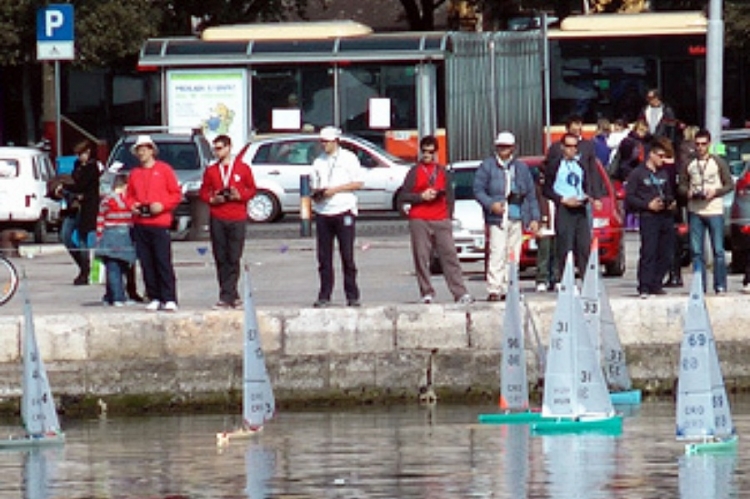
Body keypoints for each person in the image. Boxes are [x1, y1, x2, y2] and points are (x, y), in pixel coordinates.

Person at [398, 136, 474, 304]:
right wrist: (420, 197)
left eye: (430, 152)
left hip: (440, 218)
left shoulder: (442, 171)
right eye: (424, 151)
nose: (427, 155)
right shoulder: (414, 171)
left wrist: (448, 216)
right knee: (421, 256)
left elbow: (450, 196)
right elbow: (402, 196)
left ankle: (460, 292)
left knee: (449, 256)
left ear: (436, 153)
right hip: (420, 218)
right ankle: (426, 292)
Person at [473, 131, 539, 301]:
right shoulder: (487, 166)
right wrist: (491, 204)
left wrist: (534, 218)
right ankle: (494, 288)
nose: (504, 150)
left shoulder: (521, 168)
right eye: (501, 146)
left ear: (513, 148)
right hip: (497, 218)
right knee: (497, 251)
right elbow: (478, 190)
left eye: (507, 147)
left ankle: (510, 286)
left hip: (517, 216)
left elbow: (531, 194)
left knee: (513, 254)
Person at [199, 134, 258, 309]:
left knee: (234, 256)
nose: (217, 152)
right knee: (220, 257)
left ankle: (229, 294)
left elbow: (252, 189)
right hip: (218, 216)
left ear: (228, 147)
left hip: (237, 216)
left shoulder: (242, 168)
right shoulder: (211, 171)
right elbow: (203, 192)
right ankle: (228, 295)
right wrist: (212, 199)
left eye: (219, 148)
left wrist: (240, 196)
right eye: (214, 149)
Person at [125, 135, 183, 311]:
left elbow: (176, 194)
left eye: (144, 148)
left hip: (159, 223)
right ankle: (154, 295)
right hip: (141, 223)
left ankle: (169, 297)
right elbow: (129, 196)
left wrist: (162, 206)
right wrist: (132, 206)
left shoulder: (165, 170)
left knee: (163, 261)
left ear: (151, 150)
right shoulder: (134, 174)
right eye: (139, 149)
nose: (141, 152)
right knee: (146, 262)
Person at [310, 126, 364, 308]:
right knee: (324, 257)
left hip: (344, 209)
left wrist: (335, 190)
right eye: (322, 142)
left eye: (326, 141)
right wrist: (317, 193)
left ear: (335, 141)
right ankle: (325, 294)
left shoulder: (349, 158)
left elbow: (358, 183)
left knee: (347, 255)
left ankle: (352, 295)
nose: (323, 145)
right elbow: (313, 184)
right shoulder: (318, 162)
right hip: (323, 212)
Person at [678, 129, 733, 294]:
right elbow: (682, 185)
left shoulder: (718, 162)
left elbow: (729, 184)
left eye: (703, 144)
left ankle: (720, 285)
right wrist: (687, 192)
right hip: (695, 211)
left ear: (709, 144)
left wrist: (715, 192)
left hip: (714, 210)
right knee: (696, 251)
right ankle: (699, 286)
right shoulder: (689, 163)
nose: (700, 147)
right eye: (697, 144)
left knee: (718, 250)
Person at [543, 132, 606, 279]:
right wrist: (562, 200)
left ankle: (586, 279)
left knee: (584, 246)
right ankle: (564, 279)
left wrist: (592, 198)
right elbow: (546, 190)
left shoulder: (580, 164)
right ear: (562, 147)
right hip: (565, 208)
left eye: (575, 147)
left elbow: (586, 184)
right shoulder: (555, 165)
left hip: (581, 208)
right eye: (569, 146)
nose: (572, 150)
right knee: (565, 246)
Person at [624, 139, 675, 298]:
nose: (662, 159)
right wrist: (647, 204)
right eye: (659, 156)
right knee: (649, 251)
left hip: (665, 216)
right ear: (651, 155)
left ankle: (656, 283)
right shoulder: (638, 173)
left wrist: (670, 202)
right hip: (648, 216)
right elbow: (629, 197)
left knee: (666, 252)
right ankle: (644, 286)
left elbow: (669, 192)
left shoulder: (663, 173)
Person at [63, 140, 101, 285]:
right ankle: (83, 265)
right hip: (74, 207)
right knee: (66, 236)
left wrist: (65, 187)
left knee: (83, 239)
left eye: (83, 154)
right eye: (78, 154)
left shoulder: (93, 167)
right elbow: (75, 184)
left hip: (88, 208)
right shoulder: (77, 165)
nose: (80, 157)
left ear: (89, 153)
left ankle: (85, 272)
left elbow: (81, 185)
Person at [95, 174, 137, 306]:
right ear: (125, 185)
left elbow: (100, 219)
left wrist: (99, 236)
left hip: (108, 233)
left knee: (112, 267)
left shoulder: (106, 200)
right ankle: (118, 297)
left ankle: (110, 296)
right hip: (124, 234)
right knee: (120, 267)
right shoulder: (128, 200)